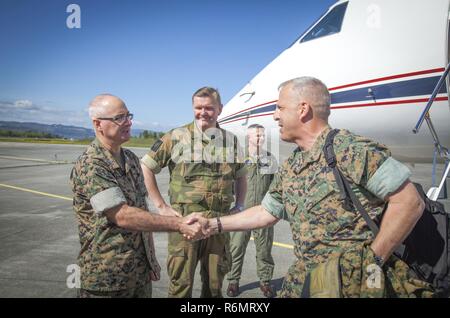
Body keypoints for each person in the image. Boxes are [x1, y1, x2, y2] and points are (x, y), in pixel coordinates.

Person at [201, 77, 433, 297]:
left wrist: (371, 263)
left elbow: (409, 202)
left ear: (302, 109)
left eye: (280, 108)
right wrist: (213, 224)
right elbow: (265, 212)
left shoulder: (349, 149)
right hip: (308, 280)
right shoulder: (292, 165)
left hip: (353, 286)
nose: (274, 116)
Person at [70, 94, 206, 298]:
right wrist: (178, 224)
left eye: (128, 116)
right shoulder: (92, 164)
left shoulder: (131, 159)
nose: (129, 122)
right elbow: (122, 215)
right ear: (98, 124)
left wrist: (150, 260)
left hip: (138, 274)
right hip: (106, 278)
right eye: (119, 118)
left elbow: (142, 211)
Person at [140, 87, 247, 298]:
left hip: (218, 225)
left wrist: (240, 205)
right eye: (198, 107)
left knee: (215, 287)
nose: (203, 112)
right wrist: (161, 206)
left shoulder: (231, 141)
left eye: (209, 108)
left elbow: (242, 175)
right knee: (181, 286)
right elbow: (146, 166)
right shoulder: (176, 137)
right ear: (192, 108)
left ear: (220, 109)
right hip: (185, 223)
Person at [226, 124, 277, 298]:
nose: (260, 138)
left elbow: (275, 186)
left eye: (262, 135)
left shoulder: (269, 159)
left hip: (263, 213)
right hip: (242, 213)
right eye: (257, 136)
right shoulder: (239, 158)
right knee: (236, 248)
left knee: (264, 249)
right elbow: (229, 184)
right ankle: (233, 281)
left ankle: (265, 282)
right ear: (249, 137)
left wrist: (274, 210)